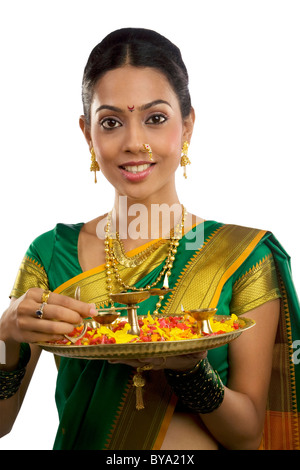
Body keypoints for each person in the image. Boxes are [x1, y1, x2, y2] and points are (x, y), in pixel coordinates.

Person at [0, 27, 299, 450]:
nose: (134, 142)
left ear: (188, 125)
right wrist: (7, 335)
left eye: (155, 119)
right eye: (111, 123)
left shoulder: (243, 257)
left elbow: (249, 435)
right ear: (88, 134)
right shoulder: (50, 254)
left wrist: (190, 370)